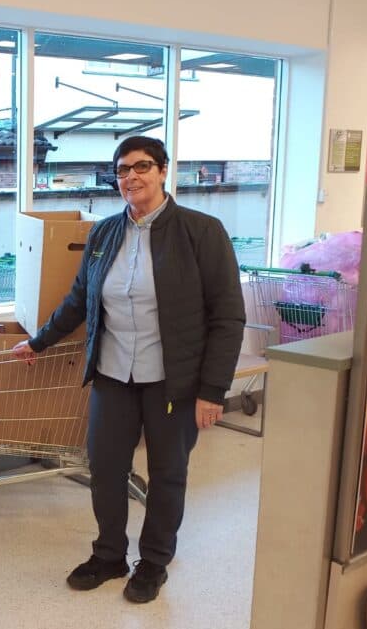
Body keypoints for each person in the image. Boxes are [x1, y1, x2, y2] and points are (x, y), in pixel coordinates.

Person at [13, 136, 245, 603]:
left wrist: (213, 390)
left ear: (162, 171)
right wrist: (39, 341)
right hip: (113, 375)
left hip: (173, 381)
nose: (131, 177)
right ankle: (109, 554)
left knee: (167, 473)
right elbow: (79, 300)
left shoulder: (202, 232)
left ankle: (154, 561)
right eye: (122, 170)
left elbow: (227, 317)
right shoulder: (103, 234)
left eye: (141, 167)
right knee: (105, 468)